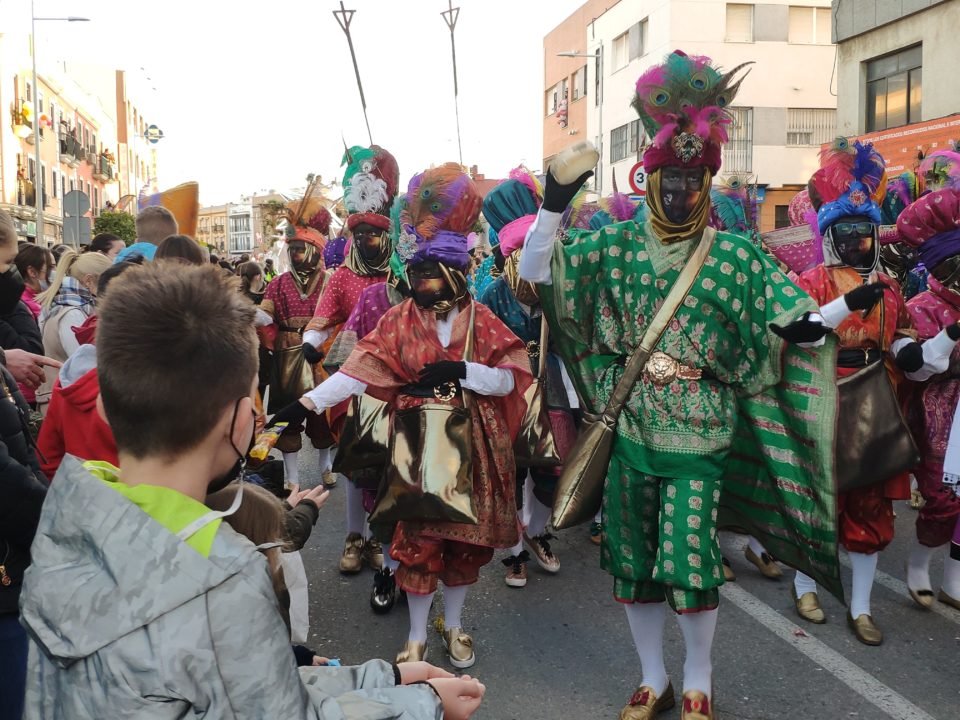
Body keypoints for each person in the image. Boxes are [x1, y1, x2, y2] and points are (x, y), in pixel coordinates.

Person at [519, 51, 844, 720]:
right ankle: (653, 678)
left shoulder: (737, 255)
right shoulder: (612, 246)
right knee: (633, 563)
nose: (680, 193)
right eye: (670, 178)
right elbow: (538, 277)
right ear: (650, 178)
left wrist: (823, 321)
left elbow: (798, 322)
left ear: (708, 182)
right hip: (630, 428)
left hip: (703, 434)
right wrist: (553, 204)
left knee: (690, 561)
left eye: (694, 181)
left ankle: (698, 679)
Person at [19, 262, 484, 720]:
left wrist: (383, 678)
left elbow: (207, 689)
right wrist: (425, 704)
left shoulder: (66, 519)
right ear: (243, 424)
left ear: (103, 404)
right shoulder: (226, 577)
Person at [273, 164, 532, 669]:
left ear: (454, 272)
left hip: (473, 447)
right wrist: (303, 406)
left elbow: (511, 377)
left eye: (430, 274)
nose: (420, 284)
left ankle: (453, 624)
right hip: (415, 446)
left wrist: (464, 371)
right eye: (415, 274)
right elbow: (358, 369)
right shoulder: (398, 319)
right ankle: (416, 635)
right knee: (417, 541)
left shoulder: (482, 320)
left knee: (462, 547)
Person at [788, 139, 936, 646]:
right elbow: (799, 333)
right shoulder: (812, 281)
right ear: (831, 235)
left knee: (870, 503)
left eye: (864, 234)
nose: (857, 243)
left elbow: (902, 336)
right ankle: (805, 585)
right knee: (819, 497)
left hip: (876, 401)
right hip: (824, 399)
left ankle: (862, 606)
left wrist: (912, 350)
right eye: (847, 234)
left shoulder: (891, 287)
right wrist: (847, 304)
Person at [302, 145, 399, 567]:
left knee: (391, 464)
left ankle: (379, 538)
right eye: (358, 235)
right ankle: (354, 538)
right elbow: (323, 317)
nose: (365, 241)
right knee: (358, 465)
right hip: (354, 381)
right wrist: (311, 339)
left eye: (372, 234)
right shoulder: (341, 277)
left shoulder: (403, 275)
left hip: (397, 380)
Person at [479, 171, 576, 587]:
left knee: (554, 474)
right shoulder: (492, 295)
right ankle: (515, 551)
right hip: (509, 394)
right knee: (512, 474)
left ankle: (536, 531)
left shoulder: (557, 291)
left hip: (554, 390)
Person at [896, 186, 960, 612]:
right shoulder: (922, 305)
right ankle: (919, 564)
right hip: (938, 410)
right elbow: (914, 368)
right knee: (941, 497)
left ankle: (954, 580)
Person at [35, 261, 141, 479]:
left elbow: (47, 458)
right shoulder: (158, 386)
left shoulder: (70, 378)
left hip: (80, 495)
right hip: (144, 499)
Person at [259, 190, 335, 491]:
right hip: (287, 355)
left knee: (322, 414)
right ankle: (292, 479)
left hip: (319, 355)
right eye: (292, 249)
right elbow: (266, 314)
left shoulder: (330, 281)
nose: (295, 255)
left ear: (315, 249)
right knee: (286, 418)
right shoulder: (277, 283)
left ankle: (326, 467)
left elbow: (338, 318)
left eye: (301, 249)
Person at [15, 244, 53, 321]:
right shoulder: (29, 307)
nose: (55, 272)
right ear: (32, 272)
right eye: (50, 267)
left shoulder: (38, 298)